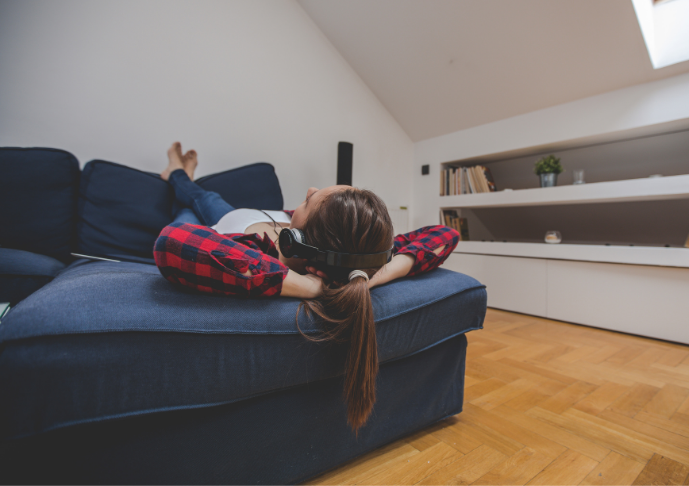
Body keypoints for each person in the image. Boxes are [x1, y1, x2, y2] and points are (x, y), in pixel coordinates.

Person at [153, 143, 459, 430]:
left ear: (296, 241)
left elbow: (173, 240)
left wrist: (308, 287)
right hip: (262, 215)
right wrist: (377, 273)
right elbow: (445, 233)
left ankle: (176, 174)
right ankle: (182, 177)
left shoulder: (255, 251)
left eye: (309, 201)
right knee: (200, 195)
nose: (310, 189)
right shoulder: (346, 248)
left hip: (225, 221)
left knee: (189, 206)